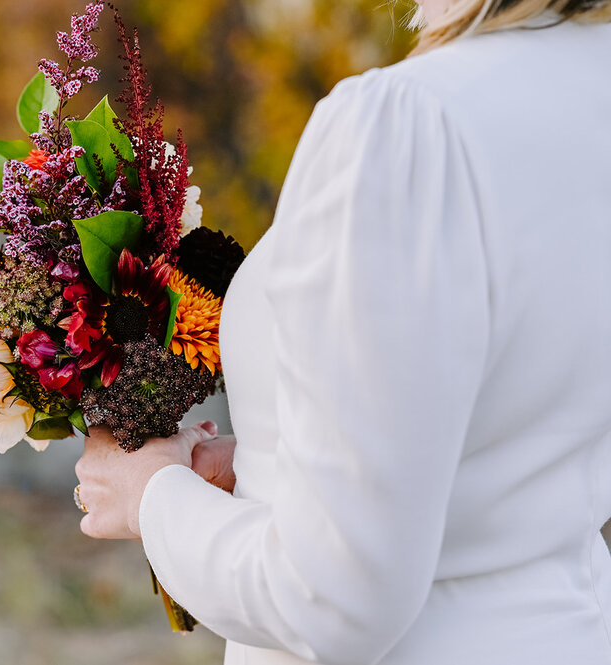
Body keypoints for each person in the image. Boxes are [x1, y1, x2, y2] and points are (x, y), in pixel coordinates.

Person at [73, 1, 611, 663]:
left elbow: (332, 597)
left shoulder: (411, 127)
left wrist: (152, 496)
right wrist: (281, 456)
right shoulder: (590, 79)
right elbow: (517, 419)